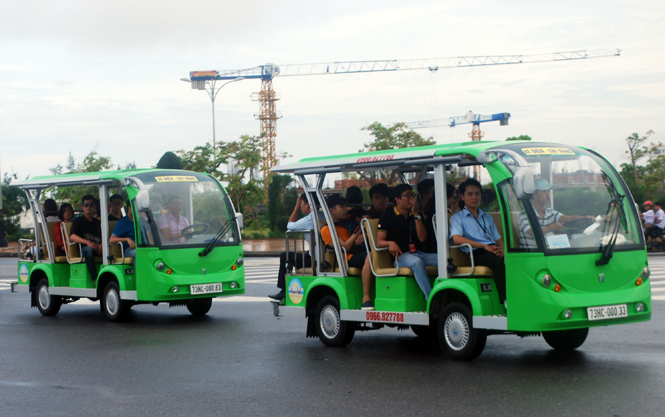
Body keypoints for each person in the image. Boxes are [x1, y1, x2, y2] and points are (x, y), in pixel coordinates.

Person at [449, 179, 506, 304]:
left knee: (514, 261)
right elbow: (456, 238)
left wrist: (503, 250)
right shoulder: (457, 218)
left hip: (492, 249)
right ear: (462, 197)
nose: (474, 197)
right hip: (477, 253)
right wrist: (484, 246)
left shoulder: (487, 217)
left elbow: (499, 239)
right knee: (498, 263)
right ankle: (505, 301)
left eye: (477, 194)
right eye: (470, 194)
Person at [377, 184, 436, 300]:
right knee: (417, 262)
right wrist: (390, 243)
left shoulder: (415, 215)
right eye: (408, 195)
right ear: (397, 199)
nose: (412, 199)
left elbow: (423, 238)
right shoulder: (387, 216)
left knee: (444, 259)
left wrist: (416, 215)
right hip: (401, 256)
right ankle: (431, 299)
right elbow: (379, 242)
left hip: (418, 252)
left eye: (412, 195)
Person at [320, 194, 373, 309]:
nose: (346, 209)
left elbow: (365, 227)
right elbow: (345, 246)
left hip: (364, 248)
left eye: (346, 205)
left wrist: (365, 229)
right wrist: (359, 231)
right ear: (332, 210)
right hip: (348, 257)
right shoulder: (327, 229)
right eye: (342, 206)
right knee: (372, 256)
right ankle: (366, 298)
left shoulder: (353, 218)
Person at [518, 178, 595, 249]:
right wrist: (550, 227)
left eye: (549, 191)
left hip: (549, 253)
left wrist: (585, 217)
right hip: (533, 257)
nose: (548, 194)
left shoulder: (551, 213)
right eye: (544, 191)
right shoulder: (525, 215)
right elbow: (534, 234)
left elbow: (568, 218)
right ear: (535, 194)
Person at [270, 193, 320, 301]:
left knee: (285, 256)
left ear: (308, 204)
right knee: (304, 254)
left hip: (314, 260)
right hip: (319, 256)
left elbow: (290, 225)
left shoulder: (308, 220)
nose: (301, 205)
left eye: (301, 203)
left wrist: (296, 207)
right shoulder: (323, 215)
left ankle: (284, 289)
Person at [69, 195, 102, 281]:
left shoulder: (98, 222)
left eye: (91, 205)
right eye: (86, 205)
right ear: (82, 207)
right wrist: (87, 243)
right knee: (89, 250)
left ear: (94, 206)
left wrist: (101, 246)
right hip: (83, 249)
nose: (88, 207)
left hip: (97, 247)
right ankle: (95, 278)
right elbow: (72, 236)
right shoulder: (78, 221)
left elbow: (104, 237)